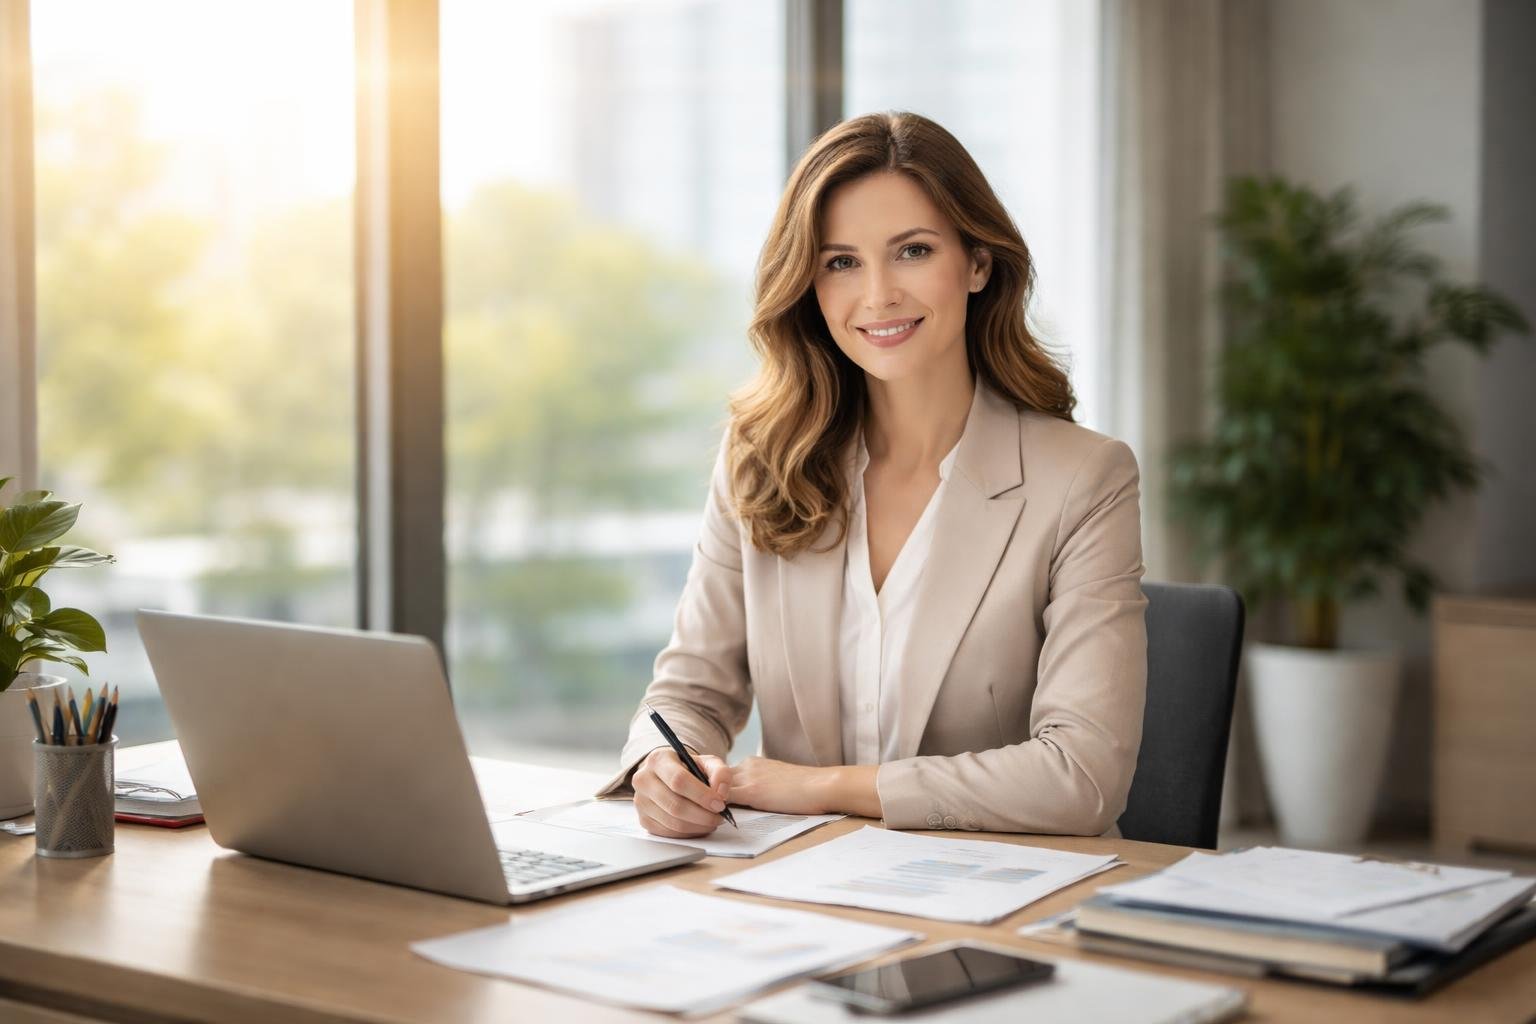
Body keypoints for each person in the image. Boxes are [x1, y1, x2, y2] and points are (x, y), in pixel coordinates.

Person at [595, 111, 1147, 838]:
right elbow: (690, 693)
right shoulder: (761, 459)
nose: (878, 294)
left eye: (912, 251)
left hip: (1002, 913)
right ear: (809, 285)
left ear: (978, 262)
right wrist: (661, 769)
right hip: (802, 906)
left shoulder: (1084, 479)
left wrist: (823, 788)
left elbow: (1079, 778)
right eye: (842, 262)